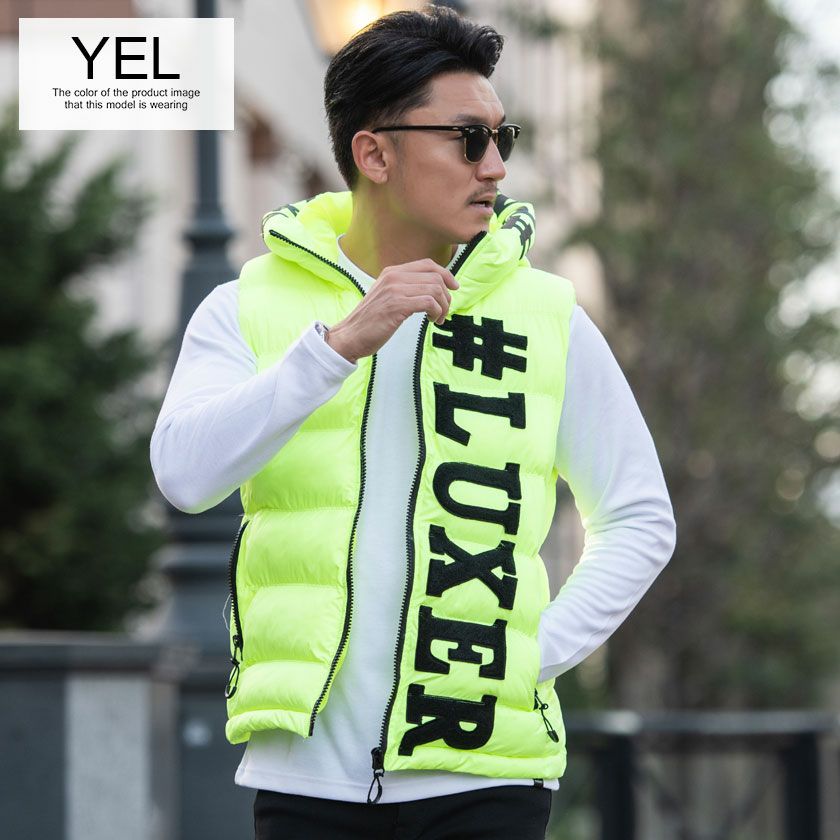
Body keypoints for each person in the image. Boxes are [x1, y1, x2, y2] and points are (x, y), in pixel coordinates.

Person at [150, 5, 676, 839]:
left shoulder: (548, 318)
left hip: (487, 781)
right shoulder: (247, 306)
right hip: (304, 780)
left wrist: (525, 656)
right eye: (468, 140)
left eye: (503, 138)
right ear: (375, 153)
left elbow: (640, 518)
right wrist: (336, 347)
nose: (495, 166)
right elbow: (185, 476)